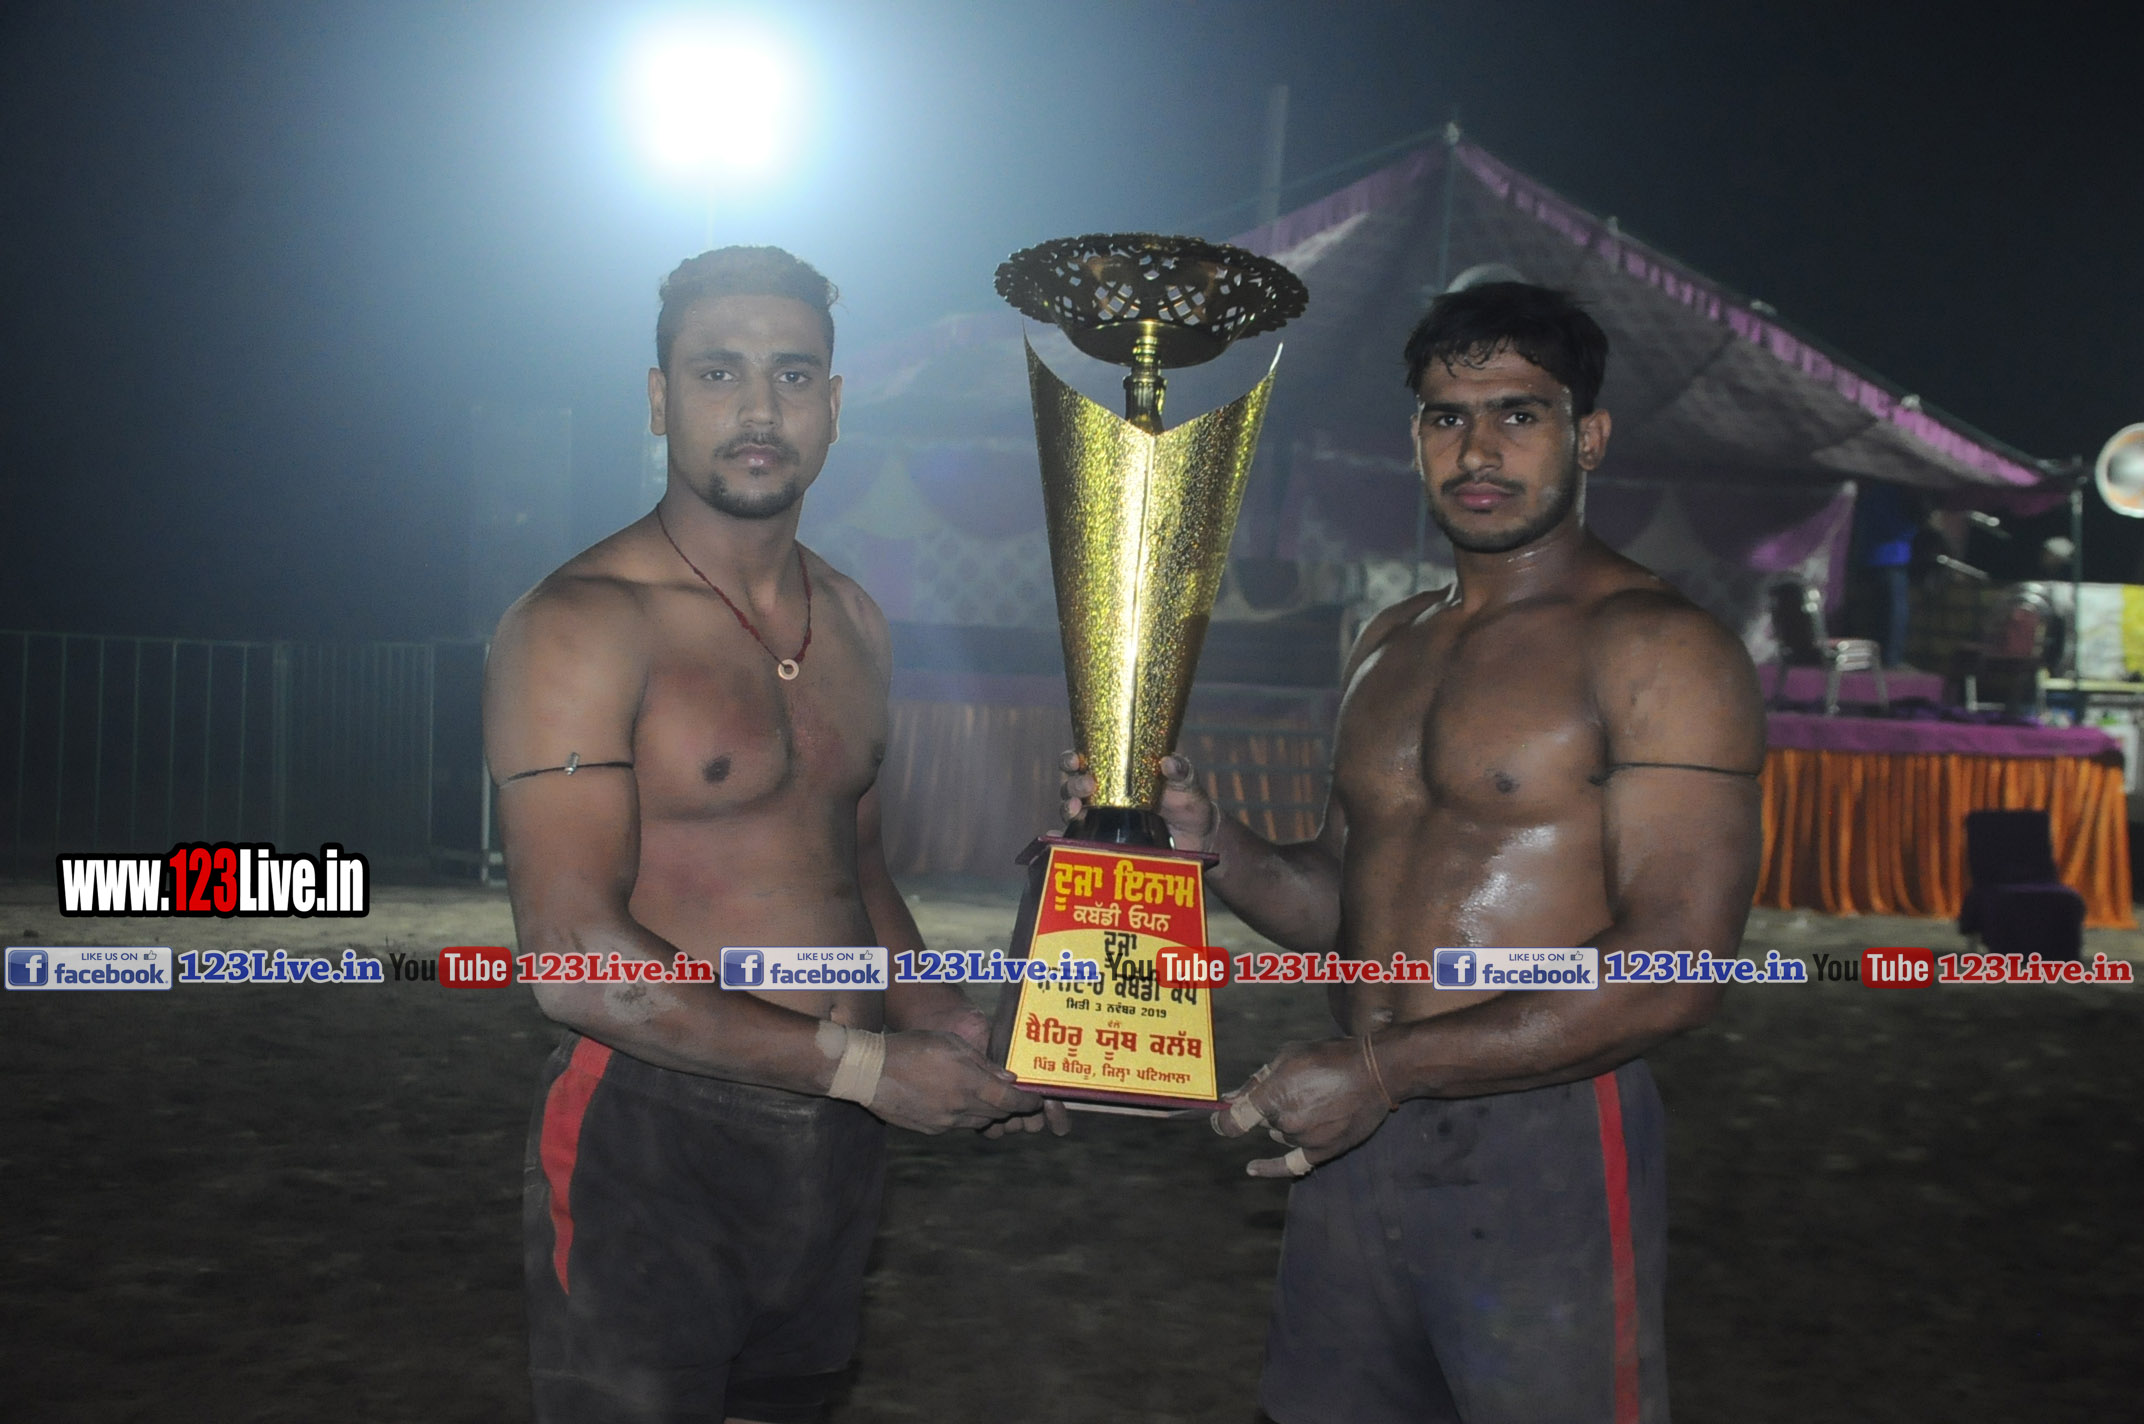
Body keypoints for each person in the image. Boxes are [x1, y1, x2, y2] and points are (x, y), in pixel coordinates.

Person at [1066, 282, 1766, 1424]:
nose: (1477, 450)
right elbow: (1337, 904)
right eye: (1448, 416)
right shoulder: (1386, 640)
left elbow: (1678, 964)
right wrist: (1215, 846)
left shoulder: (1658, 645)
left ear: (1588, 435)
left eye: (1518, 413)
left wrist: (1388, 1070)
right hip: (1352, 1123)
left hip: (1540, 1120)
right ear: (1414, 437)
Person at [484, 246, 1049, 1424]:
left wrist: (946, 1023)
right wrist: (868, 1066)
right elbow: (572, 959)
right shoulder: (579, 623)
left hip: (835, 1140)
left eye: (792, 375)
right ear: (658, 399)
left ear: (833, 405)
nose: (757, 408)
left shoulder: (852, 616)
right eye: (717, 372)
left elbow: (855, 871)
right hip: (653, 1127)